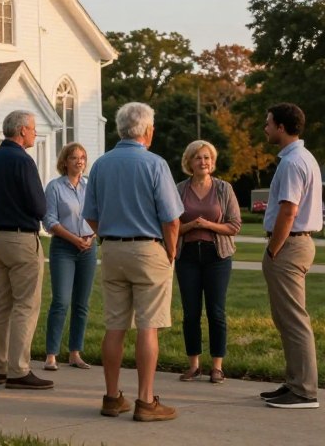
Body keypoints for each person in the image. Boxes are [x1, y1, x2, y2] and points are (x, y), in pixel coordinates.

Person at [82, 102, 183, 422]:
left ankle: (112, 397)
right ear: (148, 130)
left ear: (121, 129)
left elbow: (90, 215)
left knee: (115, 326)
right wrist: (171, 250)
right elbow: (171, 218)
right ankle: (146, 401)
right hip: (147, 248)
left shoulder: (100, 165)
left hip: (111, 248)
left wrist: (108, 237)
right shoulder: (155, 164)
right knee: (147, 326)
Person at [0, 110, 53, 390]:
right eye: (33, 129)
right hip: (21, 238)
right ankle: (19, 370)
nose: (35, 133)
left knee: (3, 304)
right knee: (25, 304)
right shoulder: (23, 161)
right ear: (21, 131)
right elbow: (39, 206)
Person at [260, 103, 323, 409]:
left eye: (268, 123)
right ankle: (294, 383)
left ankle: (304, 392)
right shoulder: (301, 157)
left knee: (294, 320)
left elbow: (289, 210)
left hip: (289, 245)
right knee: (286, 318)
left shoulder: (292, 162)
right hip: (296, 243)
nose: (266, 128)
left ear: (282, 127)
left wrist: (273, 249)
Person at [174, 140, 241, 384]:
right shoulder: (179, 189)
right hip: (188, 256)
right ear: (189, 162)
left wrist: (207, 225)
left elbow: (234, 225)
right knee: (191, 312)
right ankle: (194, 365)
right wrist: (191, 226)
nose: (203, 162)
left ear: (212, 163)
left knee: (216, 312)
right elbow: (170, 226)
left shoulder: (224, 189)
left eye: (207, 158)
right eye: (198, 158)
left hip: (217, 256)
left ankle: (216, 366)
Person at [42, 142, 96, 372]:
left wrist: (91, 237)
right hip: (64, 247)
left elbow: (98, 214)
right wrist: (74, 239)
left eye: (82, 157)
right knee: (61, 301)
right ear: (65, 161)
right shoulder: (55, 187)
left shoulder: (90, 186)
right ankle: (51, 355)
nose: (79, 161)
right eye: (74, 157)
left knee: (81, 303)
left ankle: (75, 353)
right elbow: (50, 221)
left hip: (89, 247)